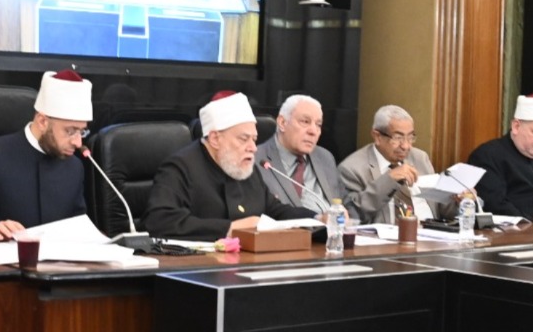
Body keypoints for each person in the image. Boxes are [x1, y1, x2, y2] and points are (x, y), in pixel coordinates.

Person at [144, 91, 315, 240]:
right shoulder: (180, 168)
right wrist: (229, 228)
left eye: (254, 139)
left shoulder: (246, 169)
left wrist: (317, 219)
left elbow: (275, 211)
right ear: (215, 139)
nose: (253, 148)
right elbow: (160, 221)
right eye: (244, 139)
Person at [0, 69, 92, 241]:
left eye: (82, 132)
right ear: (43, 122)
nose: (78, 143)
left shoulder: (74, 167)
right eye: (70, 131)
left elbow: (78, 227)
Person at [339, 104, 453, 223]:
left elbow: (442, 208)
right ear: (377, 136)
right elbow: (354, 214)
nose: (406, 146)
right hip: (388, 234)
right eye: (398, 138)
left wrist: (457, 200)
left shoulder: (420, 158)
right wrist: (389, 180)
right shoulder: (352, 169)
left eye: (410, 137)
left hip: (432, 230)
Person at [254, 94, 348, 215]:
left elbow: (345, 203)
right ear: (282, 123)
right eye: (305, 122)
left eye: (318, 125)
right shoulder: (255, 160)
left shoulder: (325, 157)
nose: (313, 131)